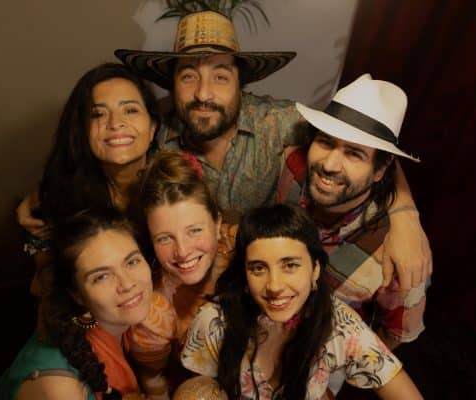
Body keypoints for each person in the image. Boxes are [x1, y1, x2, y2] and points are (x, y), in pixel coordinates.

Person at [20, 11, 430, 290]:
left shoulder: (280, 122)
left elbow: (360, 145)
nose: (203, 94)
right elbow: (99, 157)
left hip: (263, 284)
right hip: (184, 278)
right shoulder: (154, 133)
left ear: (241, 83)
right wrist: (40, 200)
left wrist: (405, 215)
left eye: (220, 76)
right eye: (188, 76)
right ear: (171, 85)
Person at [180, 204, 423, 399]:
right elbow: (194, 390)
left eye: (290, 265)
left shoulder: (339, 325)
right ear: (244, 274)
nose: (274, 285)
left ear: (315, 269)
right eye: (258, 268)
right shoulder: (215, 322)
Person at [275, 74, 429, 352]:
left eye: (354, 154)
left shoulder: (398, 258)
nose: (330, 165)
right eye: (325, 142)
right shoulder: (292, 168)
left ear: (381, 170)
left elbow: (393, 337)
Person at [24, 62, 159, 295]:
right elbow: (44, 287)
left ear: (153, 128)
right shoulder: (63, 196)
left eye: (130, 110)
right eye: (98, 114)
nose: (115, 123)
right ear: (82, 131)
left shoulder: (177, 183)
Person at [0, 210, 153, 399]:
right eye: (101, 277)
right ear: (77, 295)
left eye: (132, 262)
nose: (128, 284)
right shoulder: (62, 390)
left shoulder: (114, 320)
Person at [126, 151, 233, 399]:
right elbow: (153, 379)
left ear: (217, 223)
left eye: (194, 231)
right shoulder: (151, 314)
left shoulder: (249, 250)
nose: (183, 252)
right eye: (165, 238)